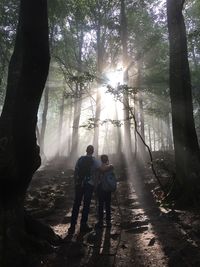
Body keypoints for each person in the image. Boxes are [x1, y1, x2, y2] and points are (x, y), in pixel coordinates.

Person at [68, 145, 101, 235]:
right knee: (86, 204)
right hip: (89, 184)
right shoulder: (94, 161)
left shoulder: (80, 159)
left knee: (76, 204)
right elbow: (100, 170)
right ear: (92, 151)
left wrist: (76, 183)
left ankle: (72, 226)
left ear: (86, 150)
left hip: (79, 184)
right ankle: (83, 225)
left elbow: (76, 171)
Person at [95, 154, 114, 229]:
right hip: (108, 188)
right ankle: (108, 221)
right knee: (108, 204)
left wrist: (95, 188)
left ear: (101, 160)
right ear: (107, 160)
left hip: (101, 188)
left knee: (101, 205)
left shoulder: (99, 168)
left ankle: (100, 221)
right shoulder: (111, 167)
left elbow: (97, 178)